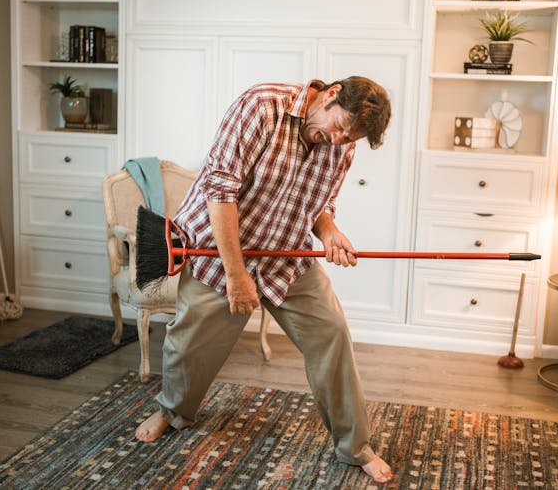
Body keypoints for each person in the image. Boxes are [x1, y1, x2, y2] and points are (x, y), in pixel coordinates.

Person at [135, 76, 393, 483]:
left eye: (352, 138)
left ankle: (355, 446)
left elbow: (320, 204)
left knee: (333, 334)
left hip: (284, 256)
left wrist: (329, 233)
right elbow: (220, 193)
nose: (340, 140)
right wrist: (237, 277)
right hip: (220, 253)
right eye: (341, 127)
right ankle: (172, 411)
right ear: (331, 94)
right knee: (189, 345)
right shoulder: (260, 107)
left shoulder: (342, 149)